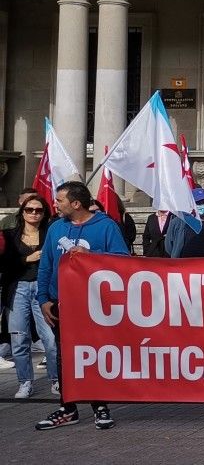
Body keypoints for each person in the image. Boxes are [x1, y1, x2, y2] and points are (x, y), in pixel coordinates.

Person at [35, 181, 128, 431]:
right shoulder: (56, 228)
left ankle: (100, 406)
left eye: (60, 200)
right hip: (60, 304)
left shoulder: (107, 226)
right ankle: (68, 408)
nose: (55, 203)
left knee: (93, 355)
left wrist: (91, 255)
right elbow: (46, 265)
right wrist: (43, 299)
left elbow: (123, 261)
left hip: (94, 305)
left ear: (75, 204)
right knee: (64, 357)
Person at [3, 195, 57, 399]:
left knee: (50, 339)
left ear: (44, 213)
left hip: (43, 290)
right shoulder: (9, 235)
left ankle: (56, 379)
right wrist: (27, 258)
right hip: (18, 289)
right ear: (22, 211)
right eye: (29, 209)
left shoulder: (50, 234)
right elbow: (4, 264)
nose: (34, 213)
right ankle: (25, 382)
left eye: (39, 210)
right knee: (19, 339)